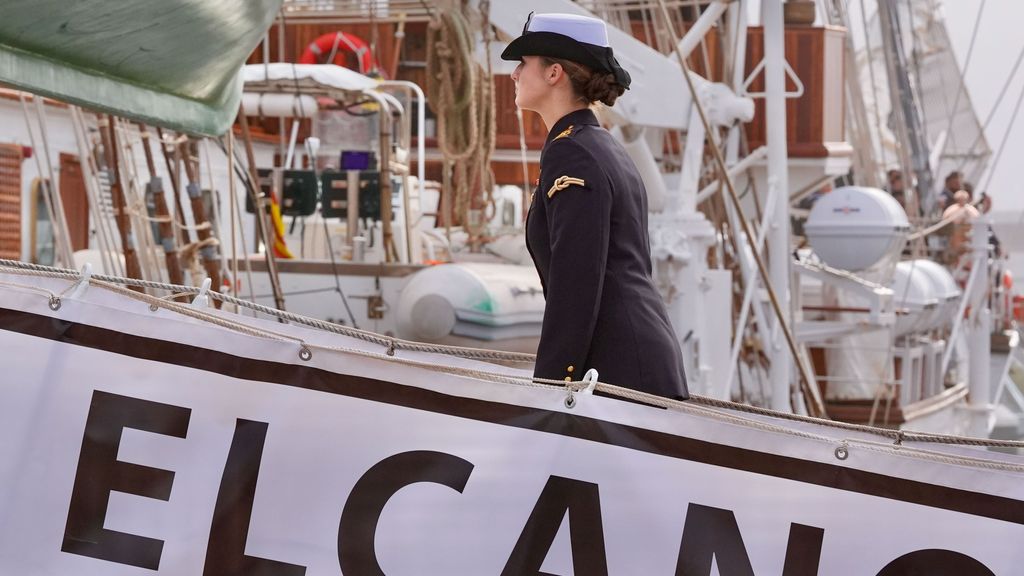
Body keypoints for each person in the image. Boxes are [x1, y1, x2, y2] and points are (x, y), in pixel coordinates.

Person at [502, 12, 688, 400]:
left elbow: (577, 281)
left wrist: (552, 384)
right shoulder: (598, 145)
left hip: (617, 369)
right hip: (629, 359)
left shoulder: (574, 154)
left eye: (523, 64)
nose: (514, 74)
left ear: (554, 73)